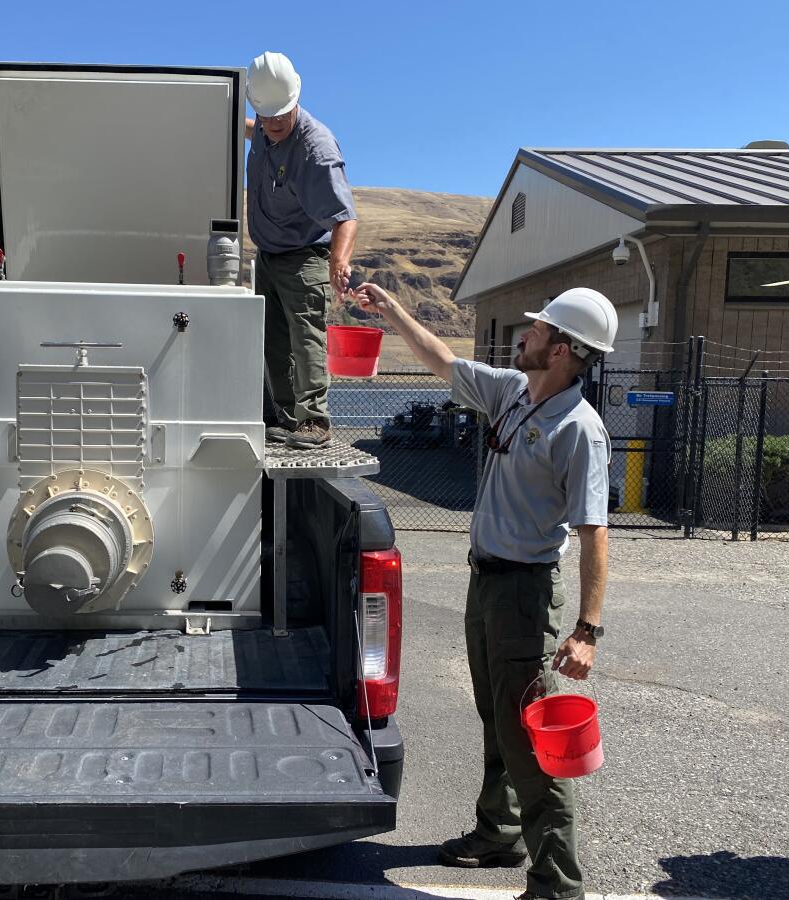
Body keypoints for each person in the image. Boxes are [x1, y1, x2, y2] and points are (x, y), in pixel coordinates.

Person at [354, 282, 617, 900]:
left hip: (526, 593)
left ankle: (558, 883)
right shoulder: (512, 391)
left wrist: (586, 630)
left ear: (562, 350)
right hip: (488, 583)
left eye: (538, 330)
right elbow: (443, 362)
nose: (525, 334)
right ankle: (500, 832)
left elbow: (594, 533)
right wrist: (391, 312)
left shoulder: (580, 430)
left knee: (530, 731)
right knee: (495, 717)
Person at [244, 51, 357, 450]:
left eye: (281, 115)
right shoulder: (263, 124)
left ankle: (314, 422)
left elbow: (345, 217)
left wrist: (338, 262)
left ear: (296, 99)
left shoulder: (317, 150)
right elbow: (250, 128)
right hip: (268, 255)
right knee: (271, 339)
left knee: (305, 336)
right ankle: (287, 419)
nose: (273, 124)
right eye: (265, 115)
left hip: (306, 253)